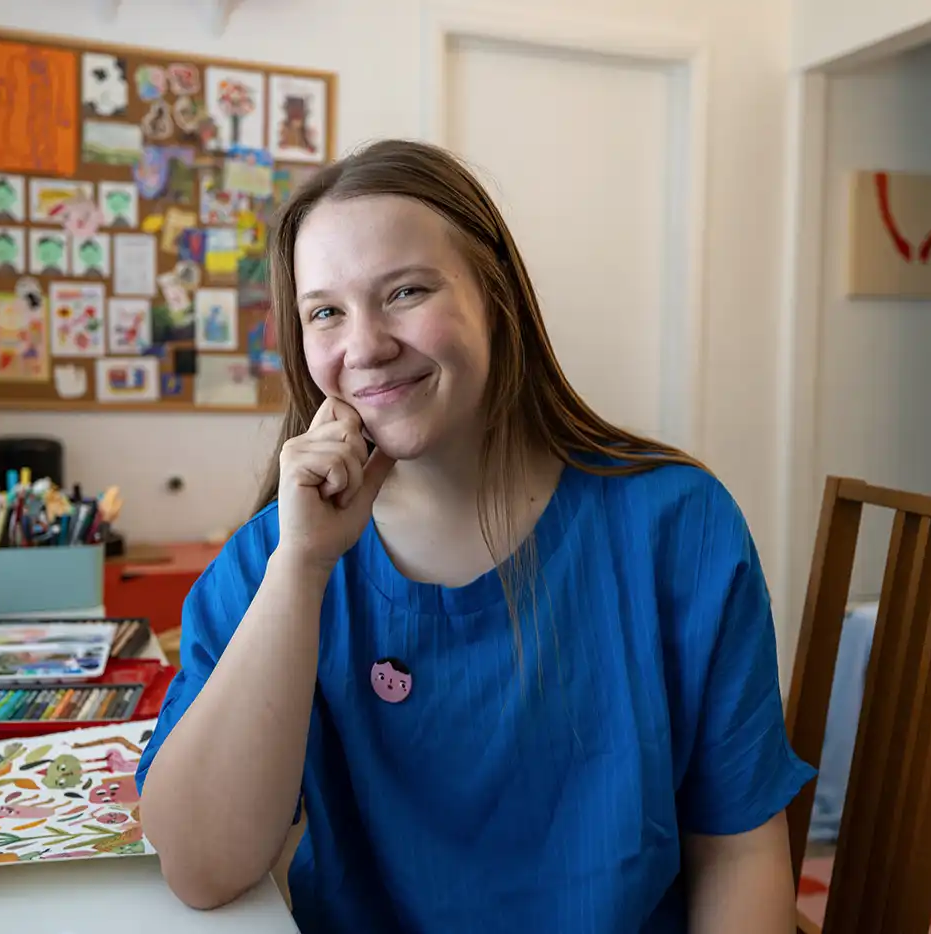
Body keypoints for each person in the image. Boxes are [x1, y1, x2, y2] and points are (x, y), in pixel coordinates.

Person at [137, 139, 815, 933]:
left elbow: (737, 852)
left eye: (406, 291)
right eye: (326, 311)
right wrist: (303, 569)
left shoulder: (678, 526)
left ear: (495, 295)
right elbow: (201, 868)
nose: (365, 346)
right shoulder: (275, 558)